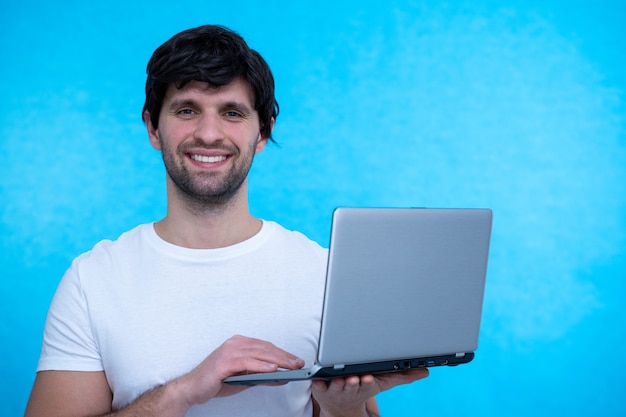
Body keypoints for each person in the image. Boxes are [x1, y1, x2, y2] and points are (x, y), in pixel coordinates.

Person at [24, 25, 428, 417]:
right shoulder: (93, 280)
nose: (209, 133)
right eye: (187, 110)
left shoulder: (327, 276)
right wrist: (183, 392)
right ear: (152, 127)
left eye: (232, 112)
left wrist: (344, 410)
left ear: (262, 132)